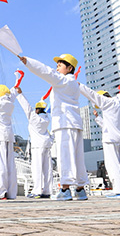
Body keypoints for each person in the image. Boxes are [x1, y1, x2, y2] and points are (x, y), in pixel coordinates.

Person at [18, 54, 88, 201]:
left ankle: (65, 189)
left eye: (61, 64)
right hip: (75, 123)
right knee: (77, 157)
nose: (57, 66)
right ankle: (80, 190)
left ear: (70, 68)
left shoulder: (62, 80)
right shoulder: (75, 84)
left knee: (65, 157)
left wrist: (29, 62)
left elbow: (45, 71)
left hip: (64, 124)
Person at [89, 90, 120, 199]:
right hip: (119, 138)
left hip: (110, 139)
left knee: (113, 164)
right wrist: (98, 117)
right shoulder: (118, 104)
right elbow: (107, 125)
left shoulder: (108, 105)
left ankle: (119, 190)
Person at [15, 91, 53, 199]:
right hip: (46, 144)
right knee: (47, 168)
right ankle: (47, 190)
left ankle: (37, 190)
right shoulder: (46, 119)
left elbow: (26, 107)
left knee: (37, 169)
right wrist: (41, 101)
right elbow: (40, 109)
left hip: (37, 145)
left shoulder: (34, 118)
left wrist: (20, 94)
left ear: (36, 110)